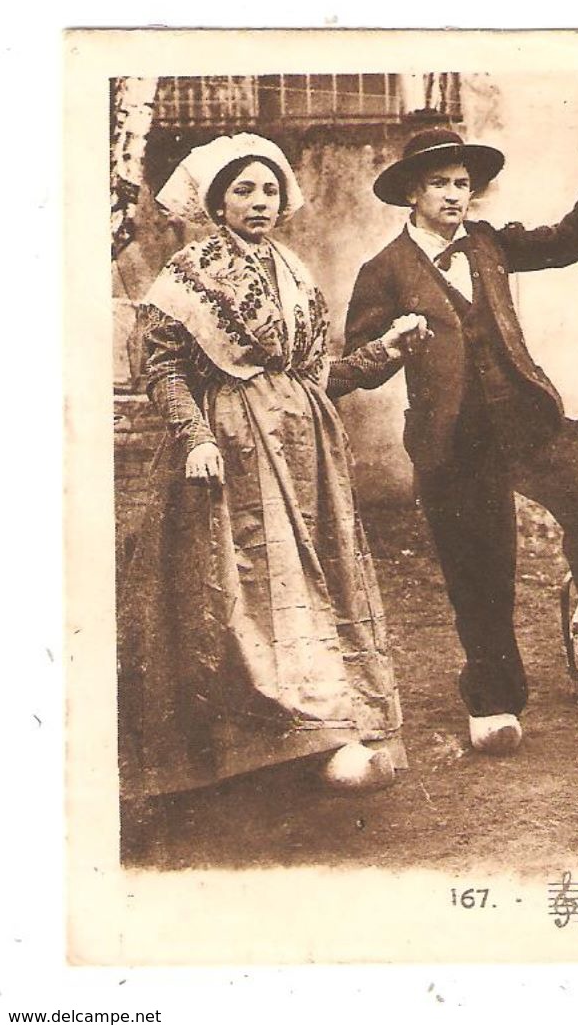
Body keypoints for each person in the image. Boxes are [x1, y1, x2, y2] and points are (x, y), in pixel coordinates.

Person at [340, 129, 578, 753]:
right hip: (452, 437)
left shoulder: (489, 244)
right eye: (441, 184)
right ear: (412, 193)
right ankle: (493, 702)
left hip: (526, 415)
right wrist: (392, 343)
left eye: (463, 184)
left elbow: (567, 243)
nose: (457, 195)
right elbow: (360, 356)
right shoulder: (382, 270)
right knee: (478, 567)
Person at [118, 133, 426, 797]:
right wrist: (195, 436)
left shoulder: (293, 268)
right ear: (216, 202)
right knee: (249, 590)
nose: (259, 201)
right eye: (243, 190)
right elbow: (163, 369)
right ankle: (272, 740)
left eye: (268, 189)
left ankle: (330, 729)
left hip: (307, 452)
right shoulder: (188, 273)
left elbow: (322, 376)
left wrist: (388, 350)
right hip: (231, 448)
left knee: (315, 584)